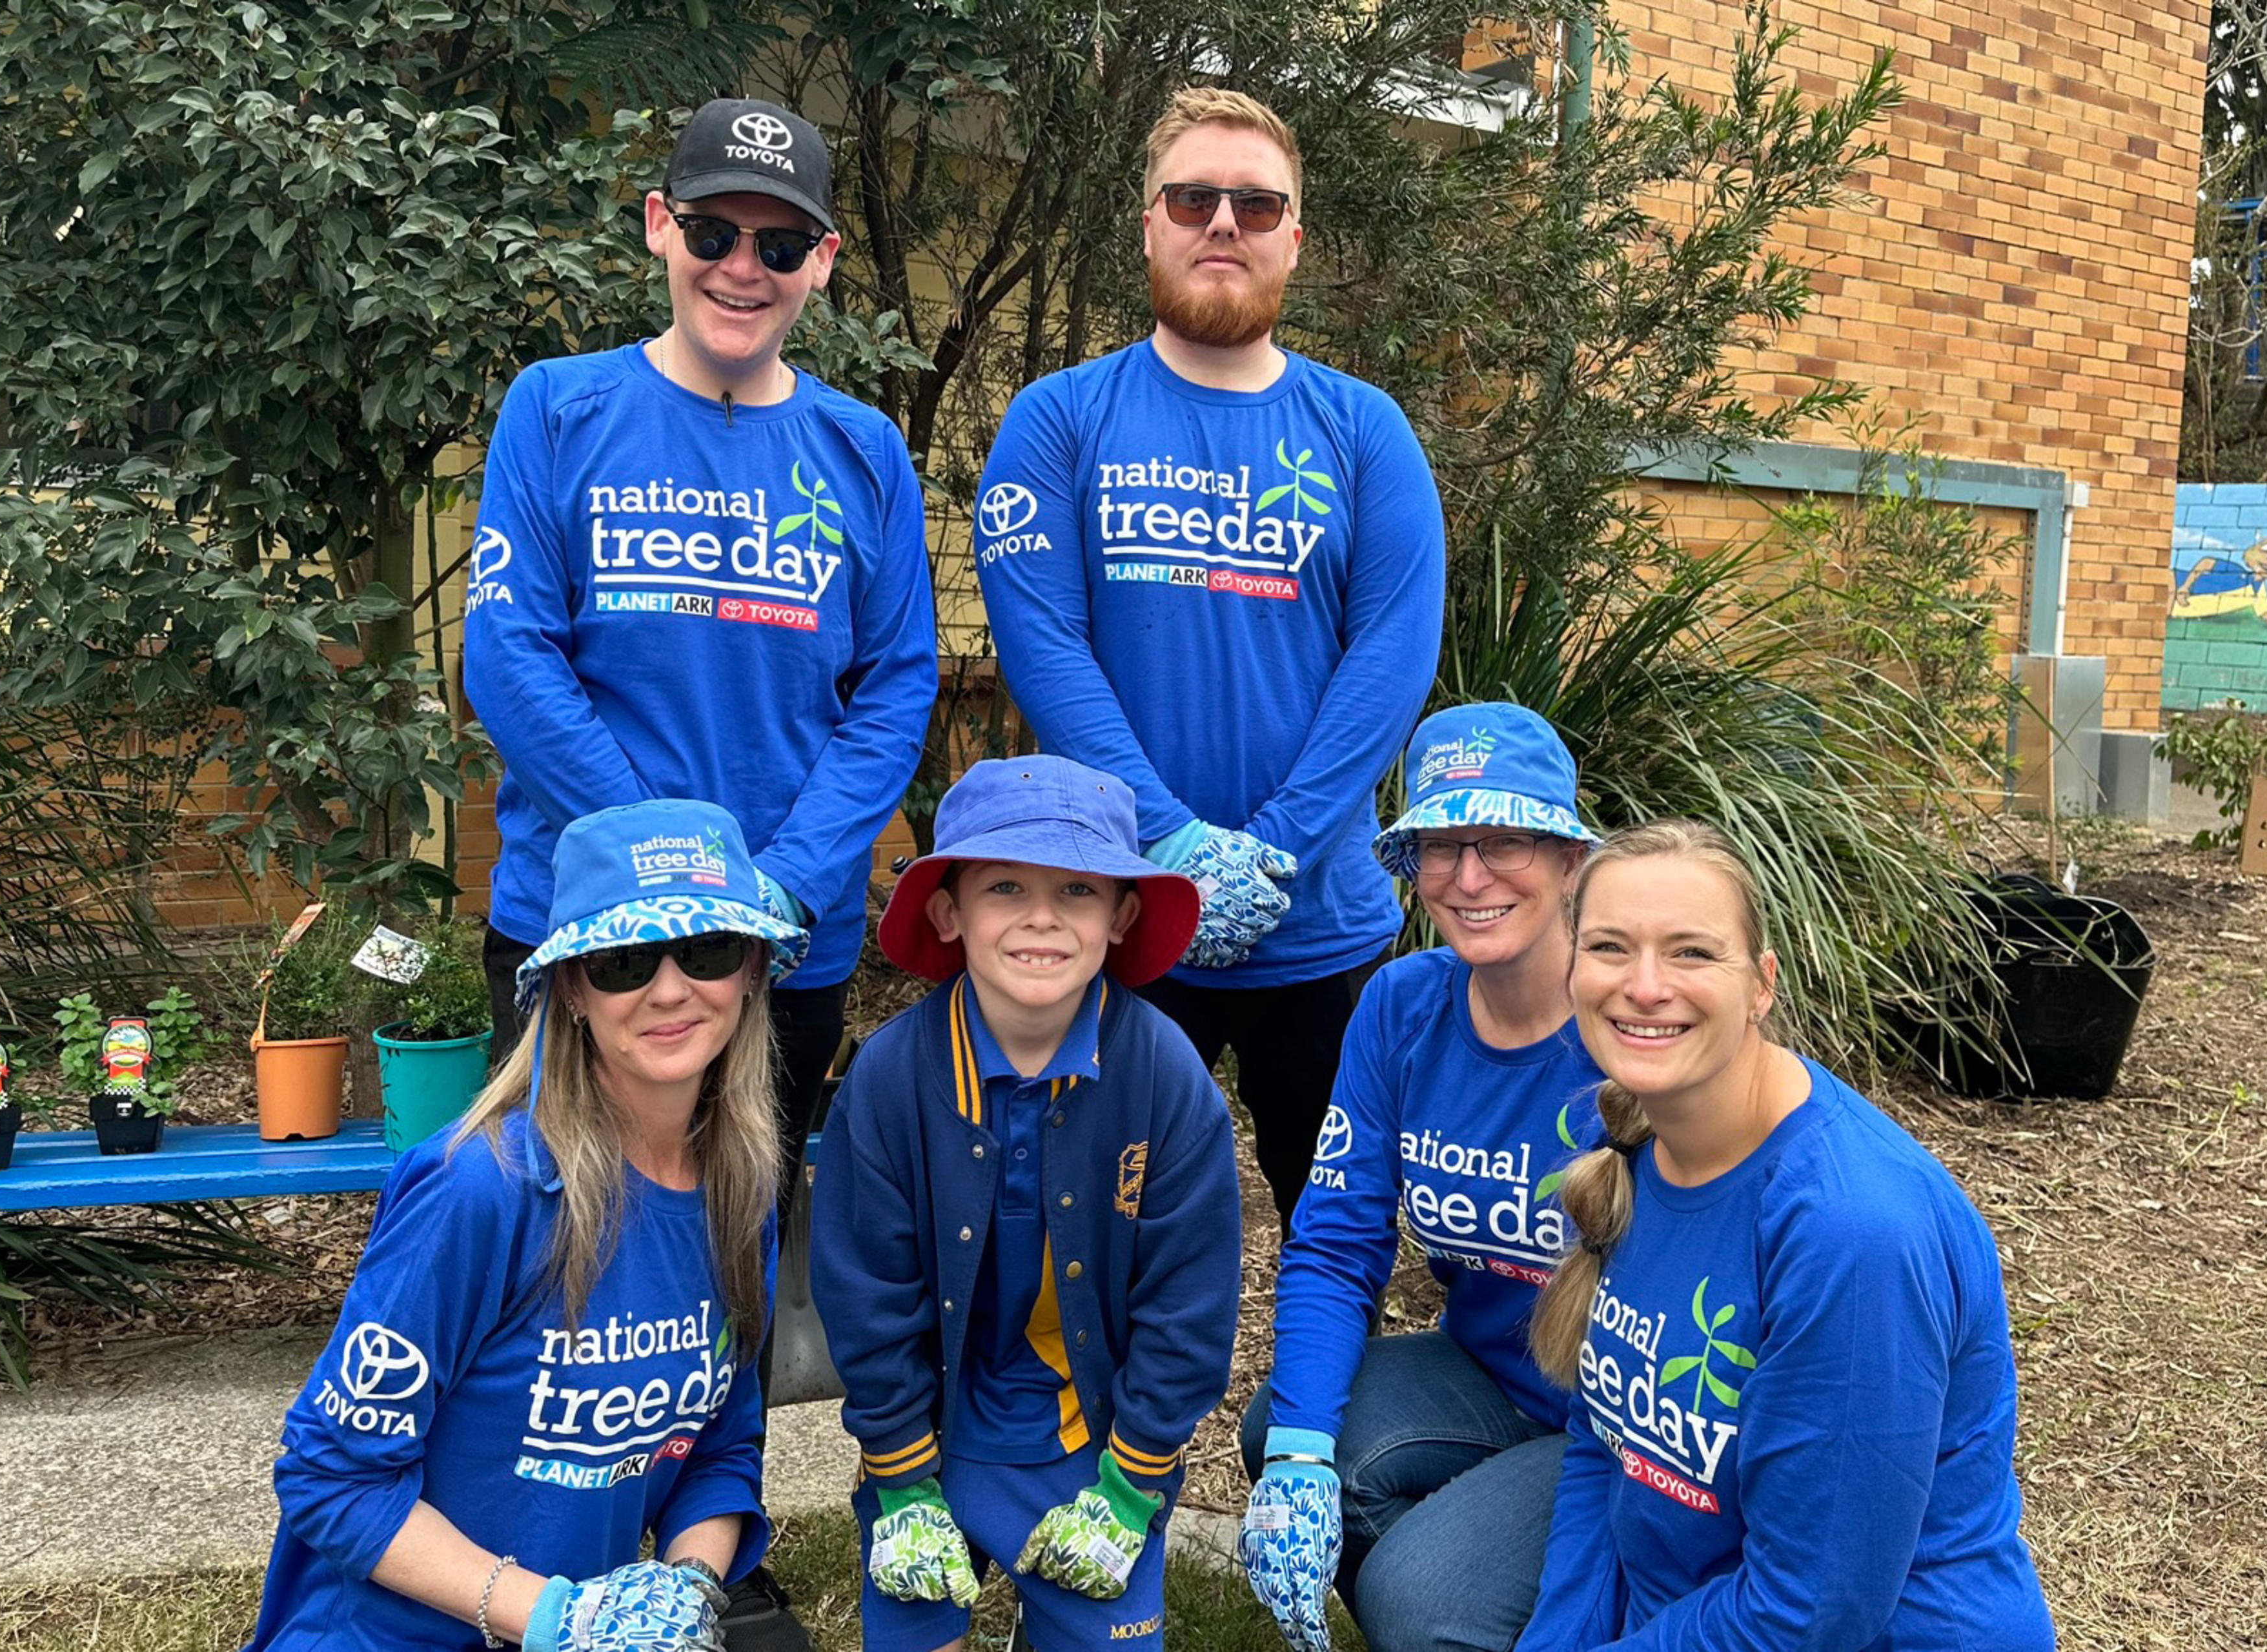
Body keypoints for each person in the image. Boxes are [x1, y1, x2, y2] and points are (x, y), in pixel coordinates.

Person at [462, 98, 933, 1640]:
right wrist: (659, 884)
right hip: (574, 935)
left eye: (777, 240)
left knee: (728, 1243)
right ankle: (506, 1555)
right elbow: (509, 657)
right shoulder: (559, 408)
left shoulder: (859, 446)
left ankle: (705, 1547)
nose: (743, 263)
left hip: (779, 943)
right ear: (660, 225)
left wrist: (774, 885)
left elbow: (895, 684)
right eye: (715, 228)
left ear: (820, 261)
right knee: (547, 1234)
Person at [971, 87, 1444, 1227]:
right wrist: (1169, 841)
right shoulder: (1058, 419)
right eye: (1193, 197)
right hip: (1121, 914)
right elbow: (1044, 645)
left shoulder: (1366, 428)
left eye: (1255, 201)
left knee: (1339, 1227)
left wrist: (1269, 852)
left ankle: (1315, 1413)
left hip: (1321, 924)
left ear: (1294, 237)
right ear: (1149, 223)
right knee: (1094, 1225)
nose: (1221, 221)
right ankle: (1106, 1415)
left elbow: (1391, 653)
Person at [246, 798, 809, 1652]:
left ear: (752, 970)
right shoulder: (482, 1185)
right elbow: (332, 1476)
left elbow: (721, 1445)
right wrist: (561, 1614)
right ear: (572, 989)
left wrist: (685, 1585)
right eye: (623, 960)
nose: (669, 988)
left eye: (707, 950)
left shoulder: (742, 1186)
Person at [1518, 821, 2057, 1651]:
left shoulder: (1852, 1231)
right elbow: (1605, 1448)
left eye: (1693, 952)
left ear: (1761, 985)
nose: (1646, 985)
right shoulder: (1634, 1143)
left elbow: (1809, 1610)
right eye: (1611, 947)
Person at [810, 755, 1241, 1652]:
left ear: (1121, 915)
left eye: (1078, 889)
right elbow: (865, 1291)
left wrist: (1135, 1478)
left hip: (1095, 1437)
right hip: (936, 1432)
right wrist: (899, 1474)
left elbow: (1190, 1302)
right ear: (947, 908)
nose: (1041, 917)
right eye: (1005, 885)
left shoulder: (1166, 1077)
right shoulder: (890, 1078)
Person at [1239, 703, 1605, 1652]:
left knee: (1417, 1596)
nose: (1469, 874)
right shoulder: (1404, 1005)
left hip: (1625, 1426)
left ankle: (1497, 1605)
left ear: (1569, 858)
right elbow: (1335, 1238)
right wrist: (1298, 1456)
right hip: (1489, 1376)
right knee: (1284, 1424)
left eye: (1504, 839)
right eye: (1441, 843)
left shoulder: (1628, 1023)